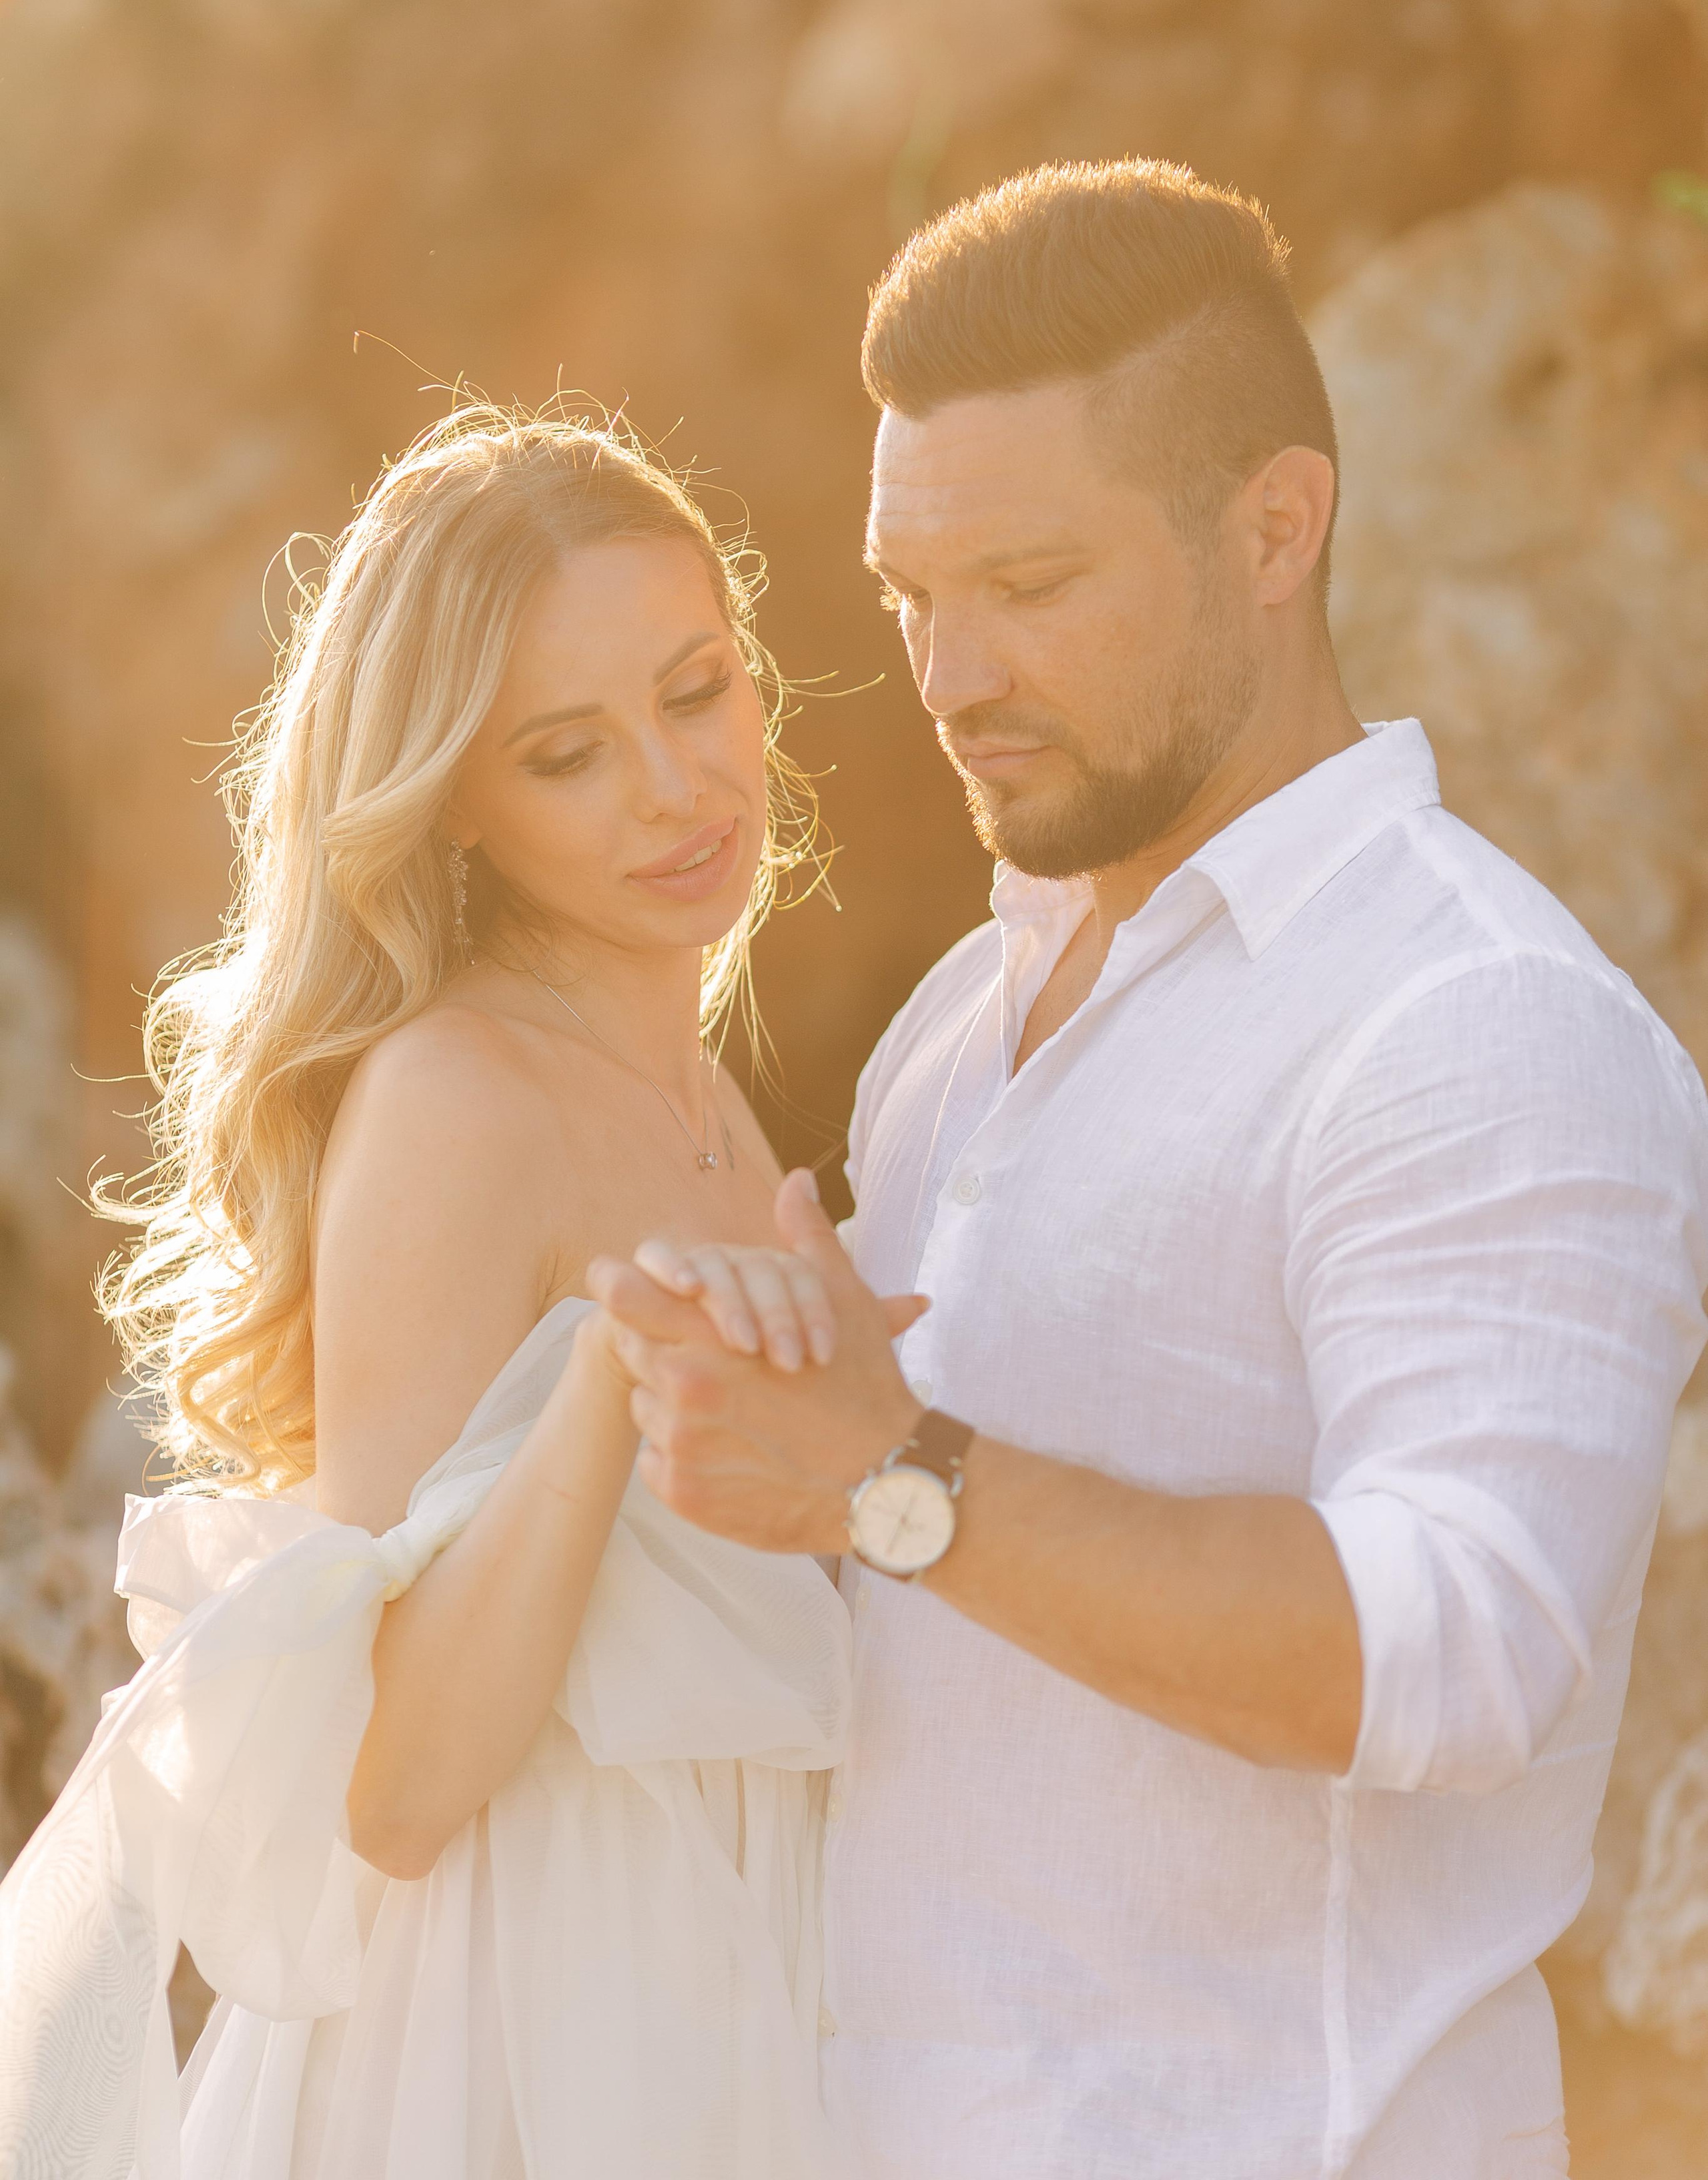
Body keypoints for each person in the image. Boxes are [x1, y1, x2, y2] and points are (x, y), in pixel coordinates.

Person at [596, 159, 1708, 2180]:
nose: (946, 677)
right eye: (910, 599)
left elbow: (1449, 1651)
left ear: (1278, 527)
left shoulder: (1473, 1025)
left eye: (1029, 588)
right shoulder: (958, 1017)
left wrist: (890, 1477)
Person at [0, 406, 901, 2179]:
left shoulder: (701, 1090)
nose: (673, 782)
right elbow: (397, 1791)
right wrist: (608, 1390)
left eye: (696, 687)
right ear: (461, 812)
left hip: (752, 1968)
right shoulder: (457, 1098)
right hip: (530, 2029)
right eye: (566, 752)